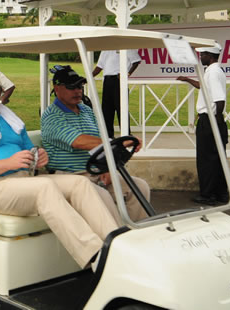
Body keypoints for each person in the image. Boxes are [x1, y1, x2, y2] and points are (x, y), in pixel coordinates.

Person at [0, 69, 118, 269]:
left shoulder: (9, 120)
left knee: (80, 183)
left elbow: (29, 149)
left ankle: (117, 244)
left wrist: (38, 155)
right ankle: (95, 256)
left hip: (25, 180)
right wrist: (9, 163)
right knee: (44, 187)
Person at [41, 65, 151, 223]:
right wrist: (118, 143)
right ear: (57, 89)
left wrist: (107, 167)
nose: (78, 91)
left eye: (80, 86)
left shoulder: (86, 111)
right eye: (72, 87)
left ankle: (137, 232)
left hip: (94, 172)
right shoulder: (52, 117)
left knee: (140, 186)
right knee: (102, 195)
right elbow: (80, 141)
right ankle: (116, 237)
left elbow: (100, 139)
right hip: (69, 175)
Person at [177, 44, 229, 206]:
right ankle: (220, 193)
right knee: (217, 157)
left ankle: (208, 195)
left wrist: (216, 120)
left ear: (210, 55)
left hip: (210, 120)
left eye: (203, 54)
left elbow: (219, 100)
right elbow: (204, 87)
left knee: (207, 159)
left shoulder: (212, 73)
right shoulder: (214, 71)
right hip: (212, 119)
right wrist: (188, 80)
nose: (201, 57)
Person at [92, 50, 142, 138]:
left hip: (119, 79)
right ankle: (108, 136)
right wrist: (89, 76)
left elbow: (136, 61)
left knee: (121, 108)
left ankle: (126, 134)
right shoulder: (105, 49)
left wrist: (128, 73)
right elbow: (99, 66)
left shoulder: (126, 46)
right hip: (107, 80)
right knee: (106, 109)